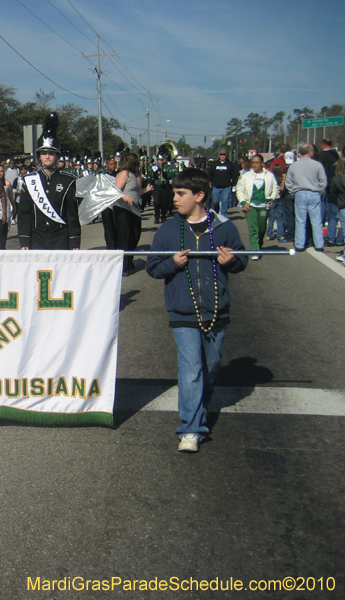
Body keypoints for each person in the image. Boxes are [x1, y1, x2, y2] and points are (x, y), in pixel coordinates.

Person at [146, 168, 247, 453]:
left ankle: (199, 403)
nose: (174, 199)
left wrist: (231, 262)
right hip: (183, 313)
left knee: (210, 368)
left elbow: (241, 262)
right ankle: (190, 429)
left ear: (199, 196)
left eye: (181, 194)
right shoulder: (167, 230)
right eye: (175, 194)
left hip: (216, 310)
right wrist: (172, 264)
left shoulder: (224, 227)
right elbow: (153, 268)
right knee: (191, 370)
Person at [18, 113, 81, 250]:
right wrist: (24, 241)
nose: (47, 156)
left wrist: (74, 240)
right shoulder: (29, 180)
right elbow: (24, 214)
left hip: (61, 237)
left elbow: (72, 214)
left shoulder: (68, 180)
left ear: (57, 156)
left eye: (51, 153)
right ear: (39, 156)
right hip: (36, 237)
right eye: (44, 153)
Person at [102, 153, 153, 275]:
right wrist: (124, 196)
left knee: (135, 235)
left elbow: (136, 192)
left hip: (134, 209)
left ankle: (129, 261)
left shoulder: (134, 175)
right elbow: (115, 189)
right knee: (125, 236)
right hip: (123, 208)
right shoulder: (124, 173)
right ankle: (124, 265)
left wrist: (146, 190)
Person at [285, 143, 327, 252]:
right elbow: (323, 181)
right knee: (316, 221)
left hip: (300, 193)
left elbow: (288, 182)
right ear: (309, 152)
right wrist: (320, 191)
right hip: (314, 193)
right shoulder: (317, 165)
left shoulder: (294, 165)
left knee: (300, 221)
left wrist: (293, 191)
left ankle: (299, 244)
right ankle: (319, 244)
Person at [235, 155, 278, 261]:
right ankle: (255, 251)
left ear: (262, 163)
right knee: (253, 229)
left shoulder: (269, 175)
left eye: (256, 162)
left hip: (264, 206)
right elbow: (239, 189)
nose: (254, 165)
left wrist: (272, 198)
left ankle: (258, 245)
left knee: (262, 229)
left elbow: (275, 188)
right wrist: (243, 202)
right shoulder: (247, 176)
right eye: (252, 162)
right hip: (251, 206)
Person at [206, 149, 238, 217]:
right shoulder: (215, 164)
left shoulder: (230, 164)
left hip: (226, 186)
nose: (222, 156)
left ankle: (223, 216)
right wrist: (210, 182)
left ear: (226, 155)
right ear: (219, 155)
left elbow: (234, 174)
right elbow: (210, 174)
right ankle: (216, 214)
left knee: (225, 201)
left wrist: (234, 184)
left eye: (224, 154)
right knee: (215, 201)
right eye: (221, 154)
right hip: (216, 186)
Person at [319, 139, 340, 237]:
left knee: (323, 201)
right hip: (335, 181)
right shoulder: (336, 154)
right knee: (330, 202)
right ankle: (327, 219)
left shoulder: (323, 155)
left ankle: (322, 220)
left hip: (325, 181)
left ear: (323, 145)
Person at [151, 153, 176, 224]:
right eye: (159, 160)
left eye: (162, 160)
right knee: (156, 202)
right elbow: (149, 174)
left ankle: (163, 216)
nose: (160, 161)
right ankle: (156, 216)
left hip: (165, 186)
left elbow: (173, 174)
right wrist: (154, 174)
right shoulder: (154, 167)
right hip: (157, 186)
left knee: (164, 202)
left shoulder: (168, 167)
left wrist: (166, 175)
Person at [327, 158, 345, 255]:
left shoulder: (334, 175)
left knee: (333, 218)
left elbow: (331, 189)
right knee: (343, 223)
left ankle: (330, 238)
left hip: (335, 199)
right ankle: (340, 240)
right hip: (342, 201)